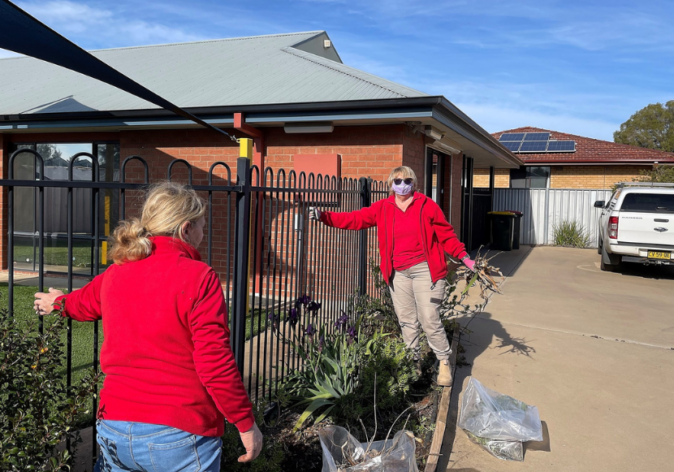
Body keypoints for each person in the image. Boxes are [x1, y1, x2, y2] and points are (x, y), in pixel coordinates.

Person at [34, 182, 262, 472]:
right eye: (203, 227)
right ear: (186, 228)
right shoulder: (198, 277)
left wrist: (58, 302)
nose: (203, 236)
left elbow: (83, 303)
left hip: (114, 427)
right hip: (179, 434)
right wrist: (245, 423)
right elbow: (214, 363)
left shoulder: (117, 272)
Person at [309, 166, 474, 386]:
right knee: (406, 320)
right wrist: (324, 216)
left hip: (426, 269)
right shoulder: (383, 208)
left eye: (407, 180)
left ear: (414, 183)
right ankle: (412, 360)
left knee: (429, 317)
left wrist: (463, 256)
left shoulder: (427, 206)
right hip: (399, 272)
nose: (402, 185)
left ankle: (444, 360)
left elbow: (446, 235)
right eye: (397, 181)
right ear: (390, 185)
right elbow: (355, 219)